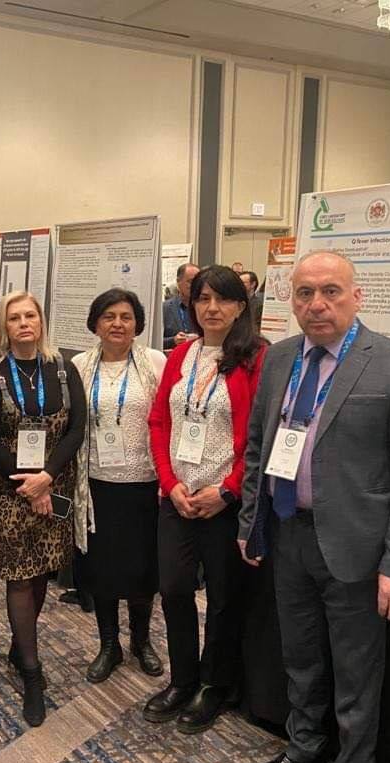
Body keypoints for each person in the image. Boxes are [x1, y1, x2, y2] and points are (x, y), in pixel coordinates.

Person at [240, 252, 390, 763]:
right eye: (305, 293)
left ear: (356, 296)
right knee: (300, 659)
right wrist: (250, 523)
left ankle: (353, 762)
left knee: (356, 675)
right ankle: (303, 750)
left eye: (331, 291)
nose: (317, 304)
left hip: (356, 549)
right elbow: (258, 447)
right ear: (292, 300)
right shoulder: (279, 358)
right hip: (288, 534)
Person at [144, 265, 267, 734]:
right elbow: (159, 421)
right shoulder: (182, 354)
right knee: (174, 589)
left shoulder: (256, 358)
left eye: (222, 299)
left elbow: (258, 437)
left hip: (224, 503)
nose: (211, 308)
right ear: (191, 304)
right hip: (177, 498)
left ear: (240, 306)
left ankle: (214, 684)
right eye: (202, 298)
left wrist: (228, 490)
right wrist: (169, 482)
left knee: (222, 598)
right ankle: (183, 679)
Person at [0, 290, 86, 726]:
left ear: (41, 321)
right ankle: (32, 674)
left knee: (41, 572)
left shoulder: (63, 368)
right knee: (19, 576)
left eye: (30, 316)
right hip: (7, 489)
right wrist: (28, 482)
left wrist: (47, 478)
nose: (23, 323)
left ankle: (21, 649)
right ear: (5, 326)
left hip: (54, 486)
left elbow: (76, 429)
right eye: (14, 317)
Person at [72, 289, 167, 684]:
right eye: (108, 316)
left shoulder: (155, 362)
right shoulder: (79, 366)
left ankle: (141, 641)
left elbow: (167, 419)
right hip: (96, 485)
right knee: (103, 569)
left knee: (143, 568)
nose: (117, 324)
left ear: (137, 324)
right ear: (95, 323)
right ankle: (109, 645)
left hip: (145, 482)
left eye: (126, 317)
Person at [162, 263, 200, 350]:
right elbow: (153, 341)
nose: (195, 286)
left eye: (198, 282)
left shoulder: (204, 308)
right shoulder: (165, 308)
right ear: (178, 282)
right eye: (190, 282)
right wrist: (173, 341)